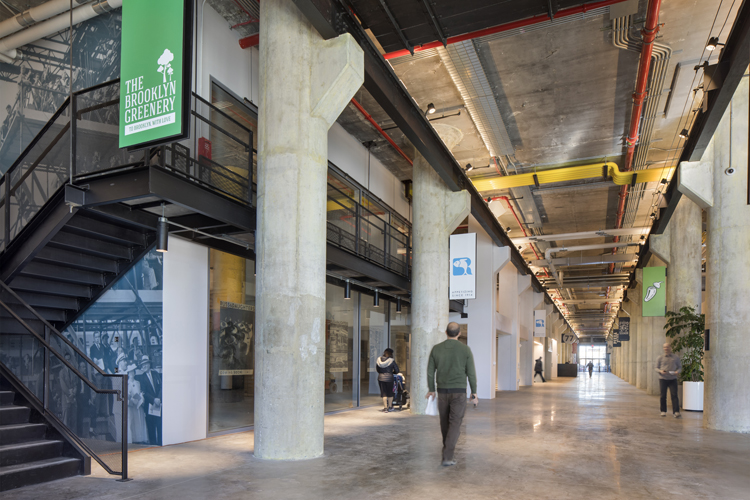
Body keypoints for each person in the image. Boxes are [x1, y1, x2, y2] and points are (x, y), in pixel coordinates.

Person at [425, 322, 477, 467]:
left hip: (442, 391)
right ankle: (448, 456)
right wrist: (474, 392)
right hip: (459, 392)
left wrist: (431, 389)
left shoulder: (436, 349)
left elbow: (430, 371)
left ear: (446, 332)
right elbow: (471, 373)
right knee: (455, 423)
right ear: (459, 333)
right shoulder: (465, 350)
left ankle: (447, 451)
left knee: (444, 423)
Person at [136, 355, 162, 445]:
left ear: (149, 364)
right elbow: (144, 392)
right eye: (142, 365)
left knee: (159, 425)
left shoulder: (155, 374)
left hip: (158, 404)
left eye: (146, 364)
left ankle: (160, 444)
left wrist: (158, 398)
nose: (144, 366)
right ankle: (153, 446)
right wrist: (154, 399)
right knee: (151, 427)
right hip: (149, 405)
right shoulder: (141, 378)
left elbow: (161, 387)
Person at [656, 342, 682, 418]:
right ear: (663, 348)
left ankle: (676, 411)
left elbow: (680, 367)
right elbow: (656, 368)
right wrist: (660, 371)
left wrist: (677, 372)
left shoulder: (675, 357)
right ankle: (663, 411)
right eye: (664, 347)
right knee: (663, 395)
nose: (666, 348)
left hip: (672, 378)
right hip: (663, 379)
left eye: (667, 347)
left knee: (674, 395)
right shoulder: (660, 358)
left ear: (670, 347)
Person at [376, 348, 399, 412]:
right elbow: (397, 370)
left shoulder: (379, 360)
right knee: (390, 393)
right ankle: (390, 407)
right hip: (389, 379)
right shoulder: (392, 361)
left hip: (381, 378)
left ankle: (385, 408)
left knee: (384, 393)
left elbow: (378, 370)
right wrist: (391, 373)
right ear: (391, 354)